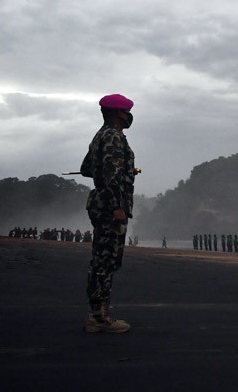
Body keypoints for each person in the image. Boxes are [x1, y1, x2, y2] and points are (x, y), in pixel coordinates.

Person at [80, 93, 137, 333]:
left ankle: (97, 312)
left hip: (99, 203)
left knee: (100, 260)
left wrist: (123, 169)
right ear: (117, 114)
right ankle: (100, 318)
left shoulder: (99, 136)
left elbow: (85, 169)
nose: (129, 117)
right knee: (106, 261)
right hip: (109, 205)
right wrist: (118, 207)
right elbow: (112, 176)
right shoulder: (114, 137)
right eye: (126, 112)